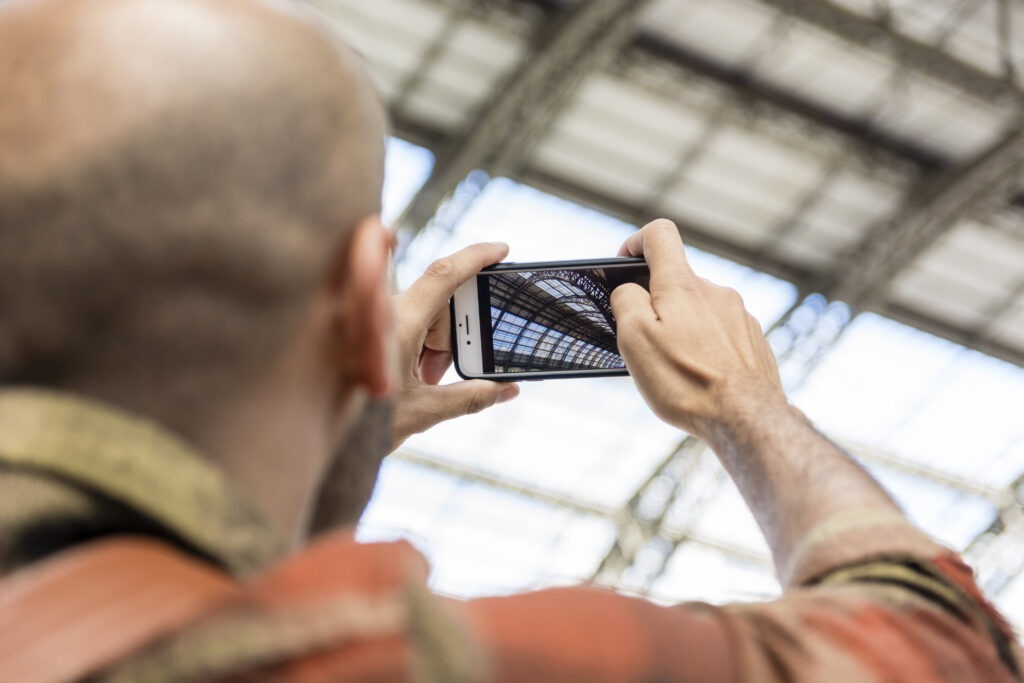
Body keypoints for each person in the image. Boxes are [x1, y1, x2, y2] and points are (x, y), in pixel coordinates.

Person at [0, 0, 1019, 680]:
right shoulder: (397, 661)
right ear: (365, 303)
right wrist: (744, 405)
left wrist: (335, 437)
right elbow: (938, 647)